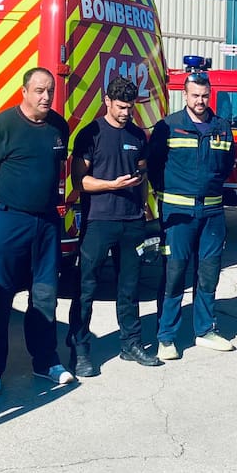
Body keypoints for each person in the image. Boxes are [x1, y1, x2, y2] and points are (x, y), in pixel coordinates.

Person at [0, 67, 76, 394]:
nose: (45, 97)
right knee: (0, 296)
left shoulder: (58, 127)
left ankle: (46, 362)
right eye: (39, 91)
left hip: (46, 223)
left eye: (50, 91)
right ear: (24, 92)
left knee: (45, 296)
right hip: (8, 221)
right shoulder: (3, 125)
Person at [66, 76, 163, 376]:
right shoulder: (90, 134)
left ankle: (130, 344)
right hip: (99, 221)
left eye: (130, 108)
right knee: (86, 287)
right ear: (107, 101)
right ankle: (80, 349)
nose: (125, 113)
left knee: (129, 286)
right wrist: (111, 184)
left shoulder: (137, 135)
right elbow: (78, 181)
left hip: (132, 221)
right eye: (120, 107)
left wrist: (143, 200)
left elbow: (143, 171)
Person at [145, 69, 236, 359]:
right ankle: (166, 337)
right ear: (184, 95)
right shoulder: (167, 126)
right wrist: (166, 195)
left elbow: (224, 166)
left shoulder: (222, 127)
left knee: (208, 273)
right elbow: (153, 167)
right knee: (174, 274)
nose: (200, 100)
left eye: (205, 95)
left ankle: (205, 330)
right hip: (178, 212)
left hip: (212, 211)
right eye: (195, 95)